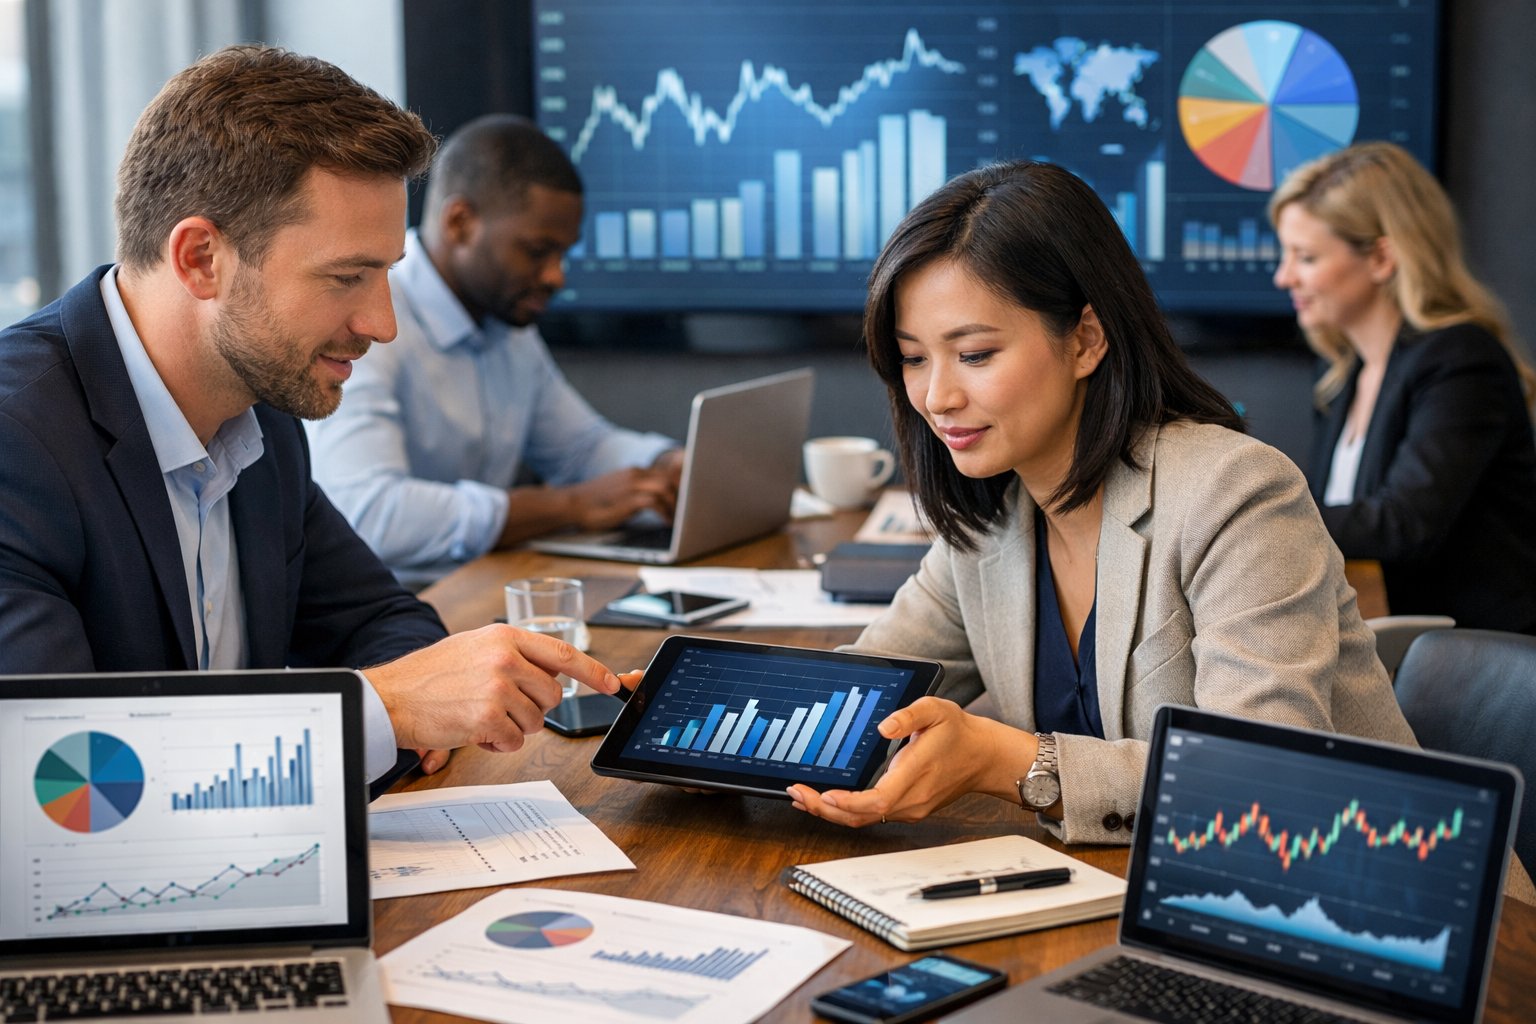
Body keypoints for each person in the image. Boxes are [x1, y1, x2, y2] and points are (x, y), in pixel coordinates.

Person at [0, 46, 623, 784]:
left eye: (385, 274)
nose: (383, 324)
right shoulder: (18, 442)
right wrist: (382, 712)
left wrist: (405, 704)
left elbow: (386, 625)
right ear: (201, 258)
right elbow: (60, 779)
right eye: (346, 277)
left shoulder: (261, 413)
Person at [785, 160, 1417, 846]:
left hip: (1353, 885)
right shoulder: (995, 520)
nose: (937, 397)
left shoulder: (1235, 492)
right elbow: (866, 689)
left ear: (1086, 339)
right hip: (1130, 886)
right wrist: (704, 740)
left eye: (975, 354)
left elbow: (1256, 780)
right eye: (913, 358)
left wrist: (1012, 762)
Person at [306, 113, 682, 583]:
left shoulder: (507, 320)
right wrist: (566, 506)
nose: (556, 276)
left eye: (563, 254)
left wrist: (666, 465)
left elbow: (580, 449)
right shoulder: (368, 326)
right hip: (391, 603)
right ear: (460, 223)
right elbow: (370, 512)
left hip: (483, 588)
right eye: (537, 251)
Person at [1269, 141, 1536, 634]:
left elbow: (1404, 523)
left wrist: (1264, 515)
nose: (1283, 277)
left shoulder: (1462, 359)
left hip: (1473, 662)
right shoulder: (1341, 376)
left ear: (1380, 258)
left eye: (1305, 257)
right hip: (1393, 645)